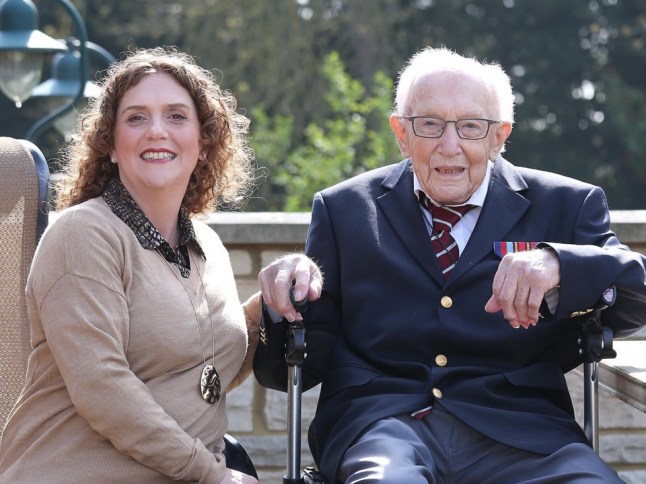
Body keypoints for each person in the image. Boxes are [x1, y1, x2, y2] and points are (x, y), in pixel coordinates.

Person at [256, 46, 646, 483]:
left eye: (470, 127)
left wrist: (562, 264)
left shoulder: (567, 205)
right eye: (429, 125)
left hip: (523, 432)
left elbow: (635, 299)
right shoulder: (344, 209)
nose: (449, 145)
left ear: (500, 135)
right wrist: (284, 297)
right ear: (401, 133)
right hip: (382, 428)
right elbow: (292, 367)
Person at [0, 47, 261, 483]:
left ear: (203, 143)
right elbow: (104, 388)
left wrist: (273, 300)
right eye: (136, 118)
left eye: (176, 116)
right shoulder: (83, 235)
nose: (156, 131)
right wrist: (213, 475)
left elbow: (199, 369)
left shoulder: (207, 245)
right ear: (111, 146)